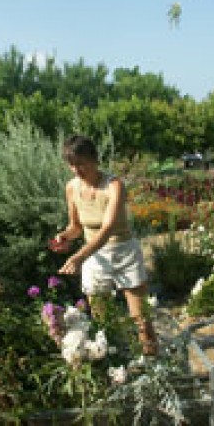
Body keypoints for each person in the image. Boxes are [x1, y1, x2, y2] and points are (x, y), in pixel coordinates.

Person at [51, 135, 159, 357]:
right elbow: (76, 227)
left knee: (142, 321)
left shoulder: (114, 185)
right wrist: (64, 237)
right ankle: (115, 370)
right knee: (103, 324)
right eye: (71, 164)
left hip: (123, 253)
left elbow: (107, 228)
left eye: (81, 163)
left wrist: (78, 257)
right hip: (95, 258)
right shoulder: (71, 187)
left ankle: (155, 366)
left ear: (94, 160)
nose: (76, 169)